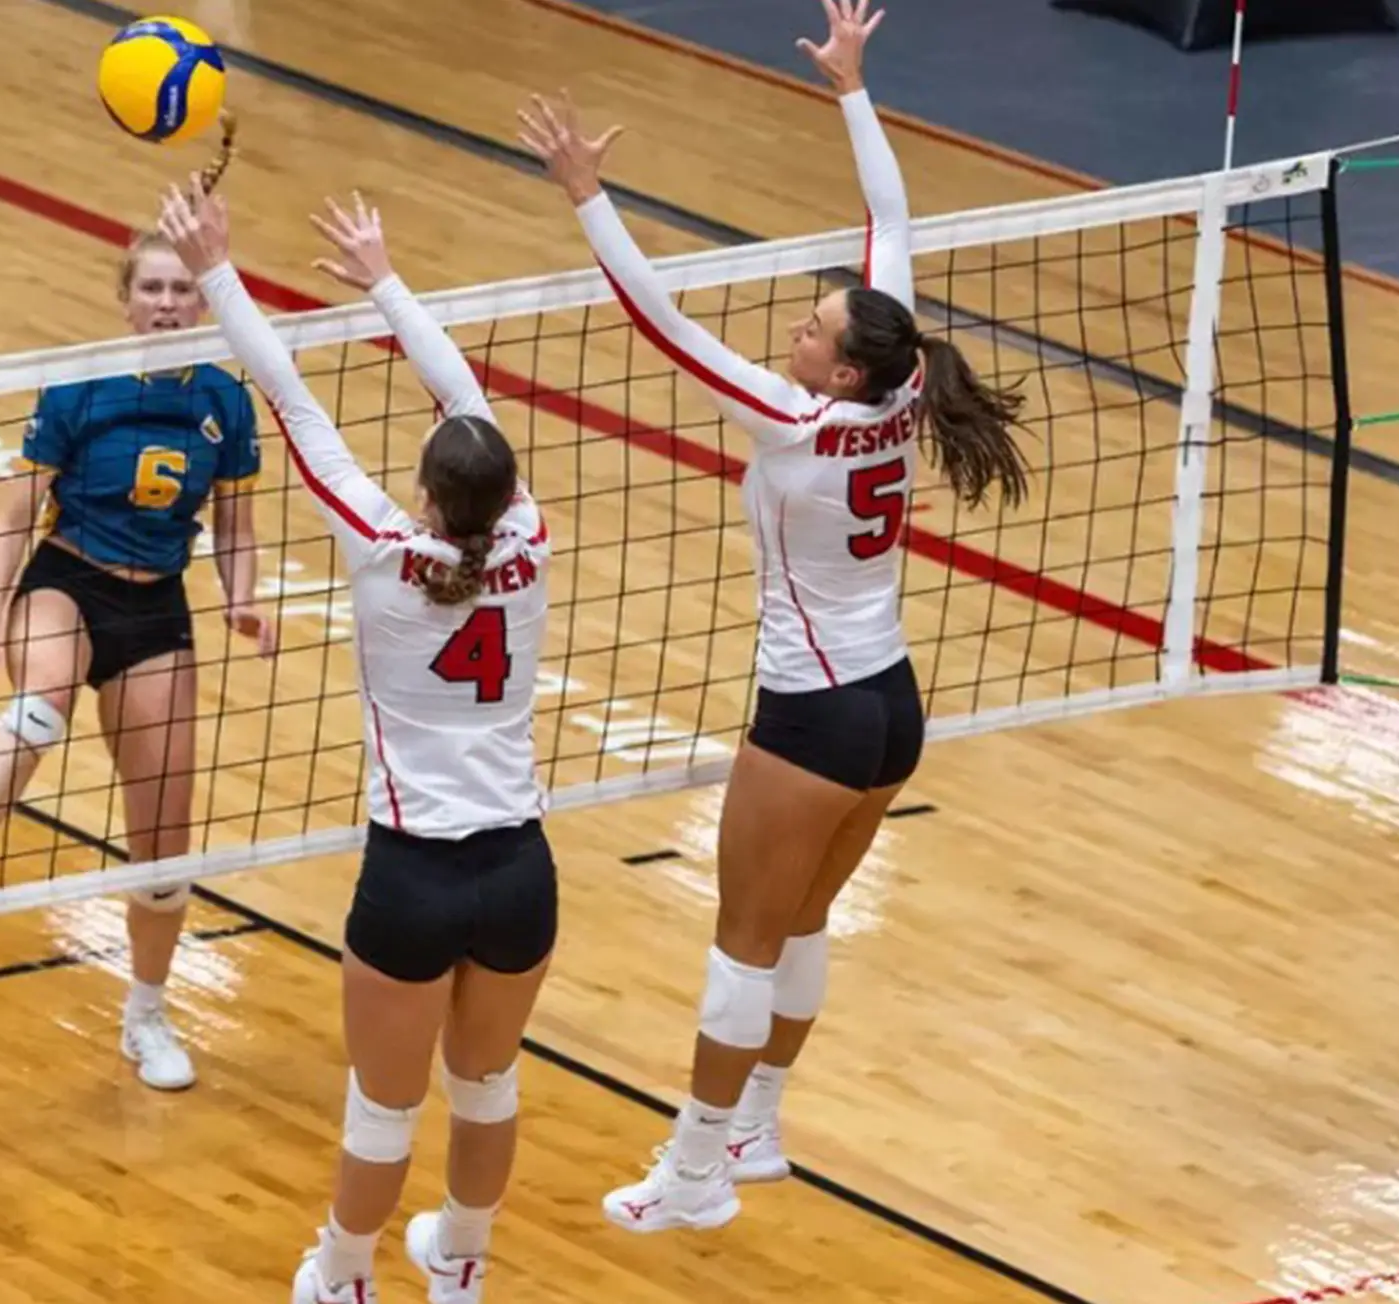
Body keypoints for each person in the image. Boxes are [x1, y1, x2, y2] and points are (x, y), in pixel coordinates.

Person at [519, 0, 1031, 1234]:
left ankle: (694, 1170)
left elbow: (659, 319)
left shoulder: (792, 414)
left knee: (742, 945)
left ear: (842, 368)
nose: (791, 329)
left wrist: (588, 193)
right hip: (889, 707)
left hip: (809, 717)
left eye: (809, 328)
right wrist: (852, 87)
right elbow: (892, 224)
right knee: (800, 926)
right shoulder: (901, 382)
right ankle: (759, 1126)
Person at [162, 179, 557, 1304]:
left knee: (383, 1107)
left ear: (429, 493)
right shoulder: (529, 538)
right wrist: (386, 280)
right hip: (521, 870)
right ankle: (461, 1262)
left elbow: (291, 398)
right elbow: (466, 398)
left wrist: (215, 269)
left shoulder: (386, 552)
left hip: (416, 873)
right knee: (484, 1088)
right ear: (503, 488)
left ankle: (342, 1274)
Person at [0, 159, 275, 1093]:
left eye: (182, 290)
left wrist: (244, 594)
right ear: (127, 301)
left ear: (203, 303)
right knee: (39, 702)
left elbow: (237, 530)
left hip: (157, 603)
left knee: (164, 841)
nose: (166, 303)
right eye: (152, 288)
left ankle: (147, 1016)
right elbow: (10, 513)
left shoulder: (225, 402)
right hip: (67, 579)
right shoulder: (79, 388)